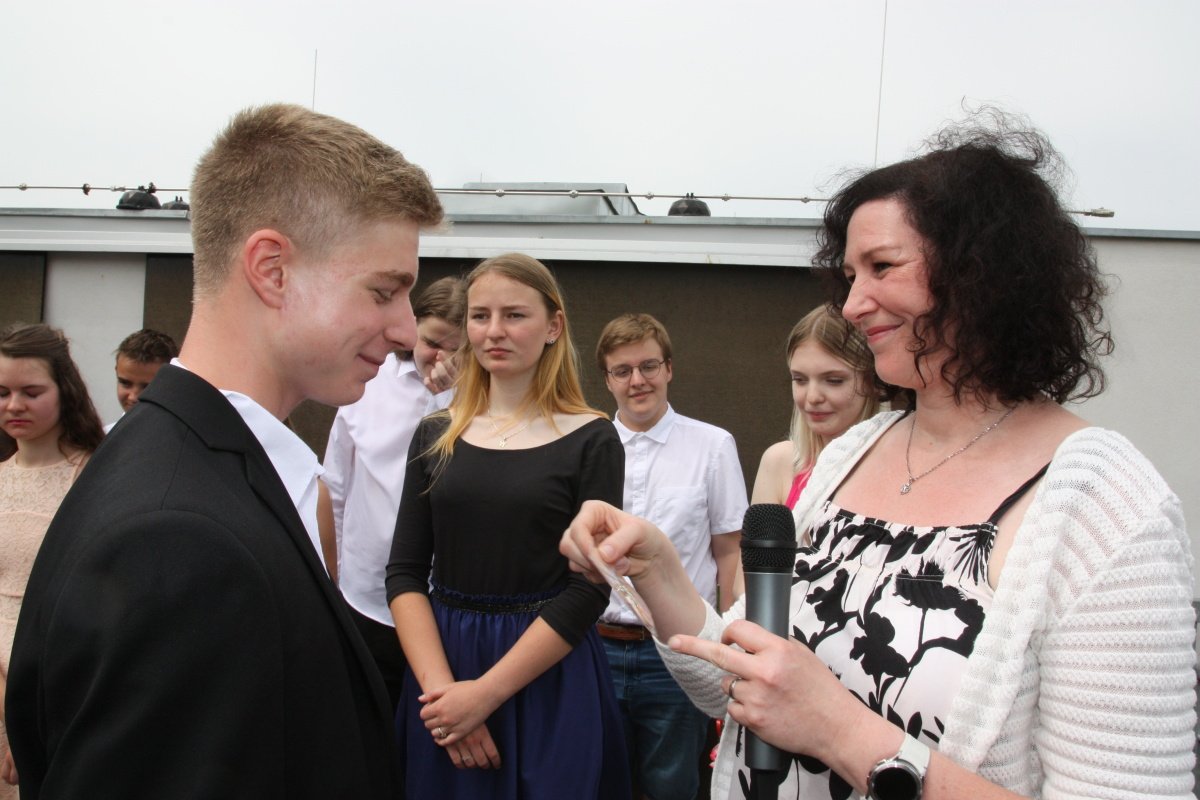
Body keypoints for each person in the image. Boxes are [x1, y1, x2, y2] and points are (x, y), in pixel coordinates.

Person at [562, 115, 1194, 800]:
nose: (854, 305)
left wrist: (840, 731)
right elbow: (743, 684)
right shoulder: (853, 452)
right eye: (849, 276)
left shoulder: (1106, 506)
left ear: (984, 273)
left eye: (882, 267)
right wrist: (657, 570)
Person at [6, 103, 443, 799]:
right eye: (384, 291)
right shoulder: (176, 537)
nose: (406, 330)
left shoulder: (199, 468)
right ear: (271, 269)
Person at [386, 253, 630, 800]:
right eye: (480, 316)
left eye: (514, 315)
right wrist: (446, 698)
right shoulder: (435, 435)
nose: (493, 331)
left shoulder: (592, 439)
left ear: (554, 326)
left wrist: (485, 695)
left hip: (546, 675)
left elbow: (589, 589)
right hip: (443, 668)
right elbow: (404, 573)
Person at [594, 312, 746, 800]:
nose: (637, 380)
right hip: (596, 648)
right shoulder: (587, 447)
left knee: (673, 787)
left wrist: (728, 645)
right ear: (607, 380)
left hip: (677, 655)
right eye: (622, 370)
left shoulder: (712, 446)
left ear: (669, 369)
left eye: (648, 366)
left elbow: (730, 552)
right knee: (600, 782)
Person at [321, 275, 466, 713]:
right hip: (365, 594)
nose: (442, 358)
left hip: (443, 602)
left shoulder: (479, 396)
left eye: (457, 348)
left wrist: (449, 396)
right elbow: (336, 482)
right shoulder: (369, 379)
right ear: (413, 325)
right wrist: (334, 575)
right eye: (433, 342)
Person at [0, 323, 104, 798]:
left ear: (65, 391)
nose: (14, 405)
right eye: (2, 393)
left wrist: (27, 713)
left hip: (55, 692)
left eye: (31, 392)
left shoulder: (96, 474)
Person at [751, 305, 881, 508]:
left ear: (872, 382)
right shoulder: (780, 461)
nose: (812, 397)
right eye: (800, 379)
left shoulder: (898, 467)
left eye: (834, 380)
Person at [106, 328, 178, 432]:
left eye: (147, 387)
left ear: (172, 382)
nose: (133, 397)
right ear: (116, 371)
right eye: (125, 383)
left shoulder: (187, 440)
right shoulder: (102, 437)